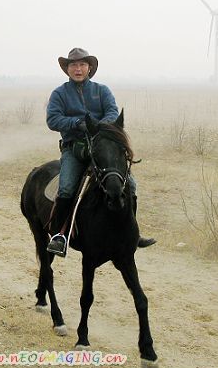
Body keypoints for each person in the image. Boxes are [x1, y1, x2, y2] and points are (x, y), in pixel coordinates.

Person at [45, 47, 155, 256]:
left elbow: (112, 111)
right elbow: (53, 119)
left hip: (102, 146)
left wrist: (99, 128)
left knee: (130, 184)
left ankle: (132, 232)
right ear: (67, 69)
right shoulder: (59, 94)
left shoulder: (102, 90)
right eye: (73, 65)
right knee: (67, 187)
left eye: (82, 65)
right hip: (74, 148)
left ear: (89, 68)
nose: (78, 69)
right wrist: (78, 123)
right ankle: (59, 235)